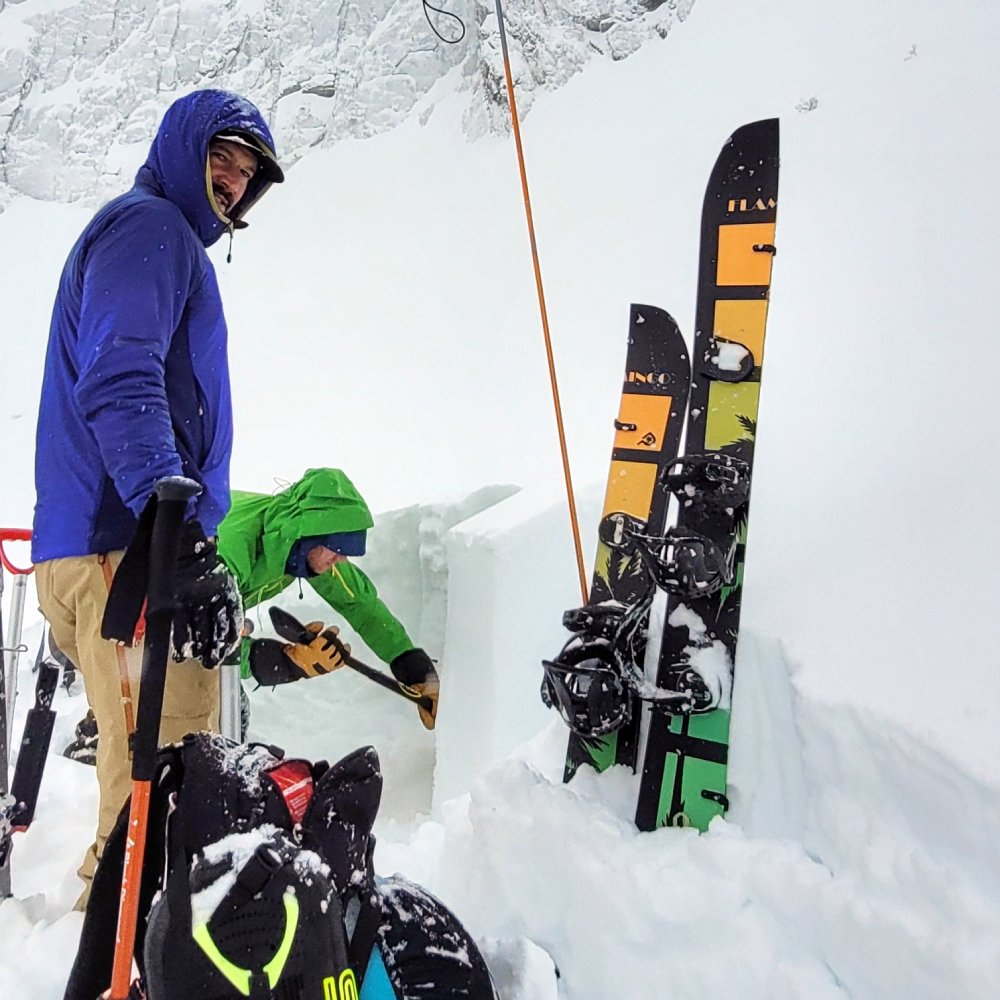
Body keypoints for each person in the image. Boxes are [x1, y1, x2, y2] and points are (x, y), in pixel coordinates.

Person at [30, 88, 284, 907]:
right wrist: (178, 537)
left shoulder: (161, 239)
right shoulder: (151, 229)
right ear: (182, 151)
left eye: (247, 173)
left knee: (160, 792)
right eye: (222, 159)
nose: (234, 182)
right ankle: (122, 965)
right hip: (129, 549)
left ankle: (126, 954)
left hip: (123, 545)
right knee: (164, 798)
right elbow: (121, 377)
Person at [218, 467, 440, 730]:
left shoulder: (296, 545)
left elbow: (358, 603)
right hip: (164, 608)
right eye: (337, 551)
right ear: (310, 537)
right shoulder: (231, 547)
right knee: (209, 715)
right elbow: (195, 629)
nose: (341, 560)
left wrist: (410, 665)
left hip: (199, 612)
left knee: (230, 715)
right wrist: (284, 662)